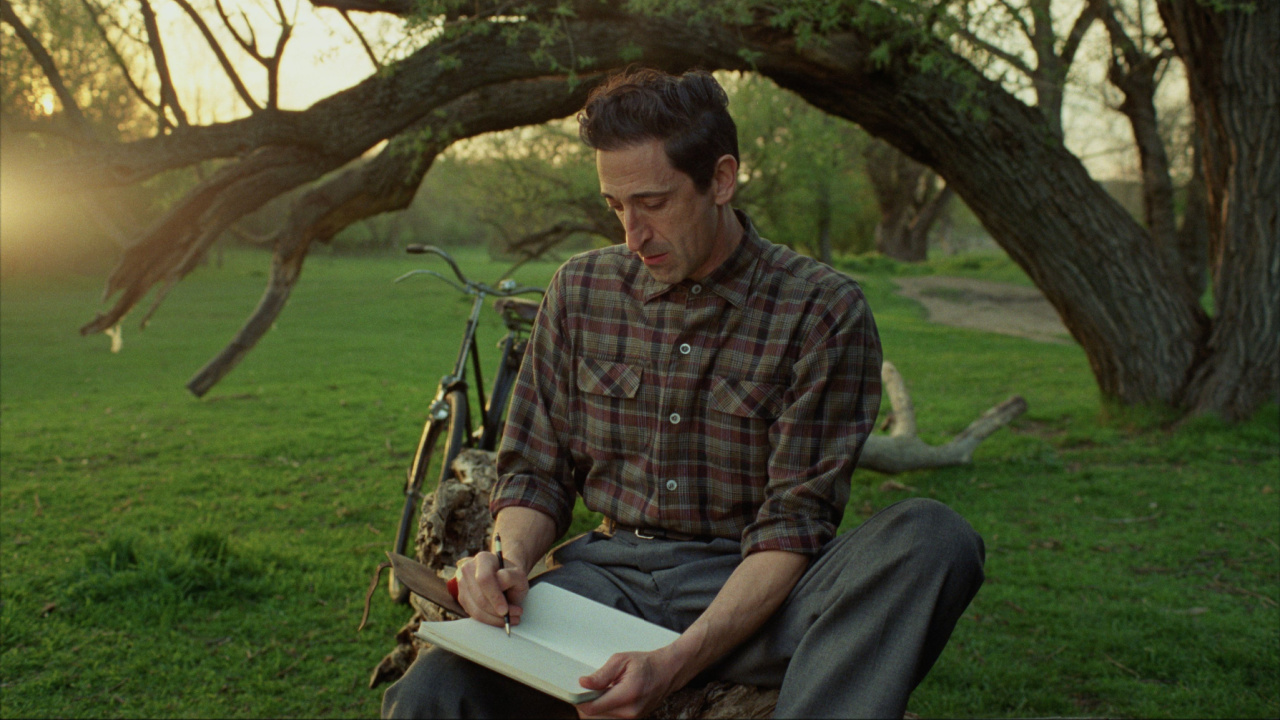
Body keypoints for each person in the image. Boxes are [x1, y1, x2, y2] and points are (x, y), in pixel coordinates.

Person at [382, 67, 984, 720]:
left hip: (759, 594)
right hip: (604, 588)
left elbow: (794, 528)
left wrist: (675, 664)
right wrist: (507, 562)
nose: (632, 236)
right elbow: (534, 472)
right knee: (432, 691)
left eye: (654, 203)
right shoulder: (580, 291)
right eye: (616, 207)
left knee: (935, 536)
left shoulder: (821, 311)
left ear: (721, 180)